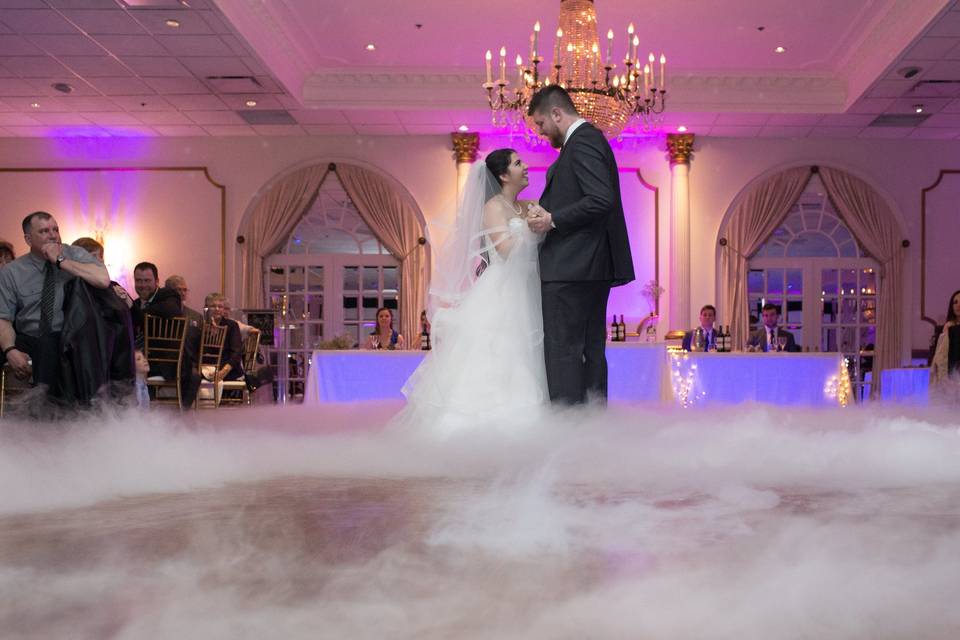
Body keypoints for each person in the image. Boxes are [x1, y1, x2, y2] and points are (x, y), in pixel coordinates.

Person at [396, 149, 546, 436]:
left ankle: (528, 429)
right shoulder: (493, 207)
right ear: (503, 175)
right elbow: (504, 250)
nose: (526, 166)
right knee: (498, 352)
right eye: (518, 163)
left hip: (528, 288)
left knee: (528, 356)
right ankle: (484, 428)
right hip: (502, 290)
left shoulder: (527, 205)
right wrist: (530, 228)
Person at [526, 85, 635, 405]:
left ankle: (567, 429)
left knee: (563, 352)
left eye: (542, 124)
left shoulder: (583, 141)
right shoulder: (588, 140)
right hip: (585, 268)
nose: (542, 133)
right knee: (587, 351)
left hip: (572, 268)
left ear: (557, 113)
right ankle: (588, 428)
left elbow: (601, 199)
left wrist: (552, 219)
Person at [0, 212, 110, 395]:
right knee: (38, 343)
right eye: (44, 231)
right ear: (28, 239)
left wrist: (61, 261)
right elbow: (3, 318)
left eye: (55, 229)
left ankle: (48, 413)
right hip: (28, 337)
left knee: (49, 343)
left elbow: (103, 279)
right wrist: (10, 350)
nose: (52, 235)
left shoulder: (74, 254)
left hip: (69, 337)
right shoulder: (12, 272)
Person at [204, 293, 243, 383]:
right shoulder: (202, 325)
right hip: (207, 368)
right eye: (213, 306)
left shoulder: (232, 325)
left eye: (220, 306)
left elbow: (236, 353)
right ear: (206, 308)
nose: (217, 309)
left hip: (228, 369)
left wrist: (223, 372)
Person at [930, 289, 960, 390]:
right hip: (951, 371)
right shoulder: (949, 326)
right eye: (955, 302)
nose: (958, 305)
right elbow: (941, 353)